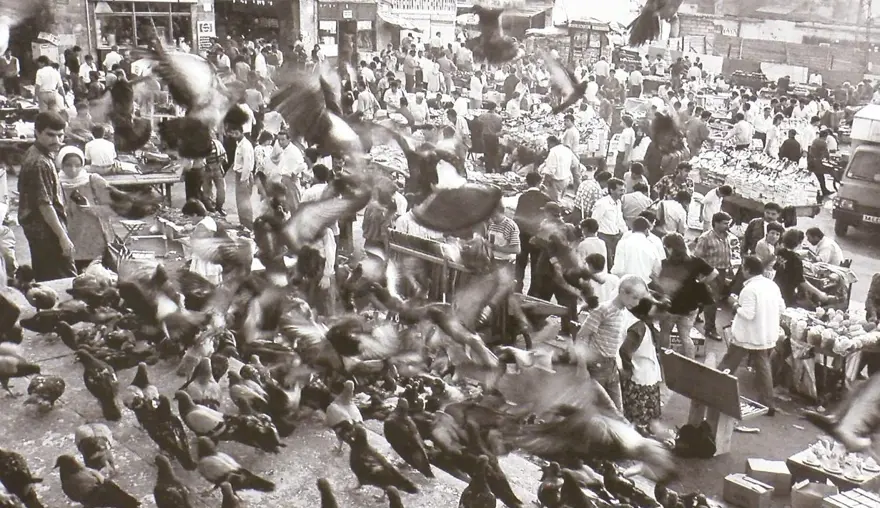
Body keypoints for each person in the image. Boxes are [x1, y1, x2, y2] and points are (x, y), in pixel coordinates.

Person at [715, 256, 785, 415]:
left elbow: (748, 314)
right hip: (766, 334)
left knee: (728, 363)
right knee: (763, 367)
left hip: (746, 335)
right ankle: (768, 403)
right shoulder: (772, 285)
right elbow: (782, 308)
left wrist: (734, 304)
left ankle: (712, 390)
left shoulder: (749, 289)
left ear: (747, 270)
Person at [575, 274, 652, 412]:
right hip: (596, 365)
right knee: (595, 411)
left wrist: (619, 365)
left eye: (639, 300)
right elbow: (581, 337)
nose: (636, 303)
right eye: (634, 298)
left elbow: (615, 341)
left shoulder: (623, 312)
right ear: (622, 291)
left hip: (611, 366)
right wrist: (581, 367)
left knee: (617, 412)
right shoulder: (603, 310)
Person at [19, 112, 76, 281]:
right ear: (37, 132)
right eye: (50, 135)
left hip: (40, 230)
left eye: (60, 136)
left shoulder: (37, 153)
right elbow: (45, 205)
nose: (57, 141)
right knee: (64, 281)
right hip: (46, 231)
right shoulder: (40, 162)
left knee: (47, 279)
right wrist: (63, 237)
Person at [652, 232, 717, 358]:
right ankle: (690, 361)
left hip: (670, 307)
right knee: (685, 336)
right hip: (691, 306)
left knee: (665, 333)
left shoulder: (665, 263)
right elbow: (714, 273)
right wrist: (701, 282)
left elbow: (658, 281)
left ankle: (665, 359)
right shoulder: (695, 261)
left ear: (670, 248)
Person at [619, 298, 662, 429]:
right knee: (640, 418)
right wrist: (628, 369)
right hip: (641, 377)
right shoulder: (639, 327)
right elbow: (625, 350)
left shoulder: (641, 323)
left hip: (645, 374)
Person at [693, 211, 736, 341]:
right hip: (710, 272)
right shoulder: (705, 238)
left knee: (708, 298)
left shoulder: (728, 237)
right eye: (724, 223)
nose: (727, 226)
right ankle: (710, 329)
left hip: (723, 272)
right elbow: (697, 257)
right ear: (716, 223)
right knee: (712, 301)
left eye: (728, 223)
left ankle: (694, 314)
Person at [774, 228, 830, 307]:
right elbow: (801, 281)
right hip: (787, 292)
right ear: (799, 243)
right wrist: (820, 294)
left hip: (776, 286)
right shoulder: (796, 260)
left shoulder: (781, 252)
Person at [513, 172, 551, 291]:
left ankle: (517, 288)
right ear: (540, 183)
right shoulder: (546, 198)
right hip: (537, 237)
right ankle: (533, 293)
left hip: (522, 236)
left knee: (520, 264)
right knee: (535, 266)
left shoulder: (522, 197)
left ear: (526, 182)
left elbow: (517, 217)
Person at [612, 217, 661, 283]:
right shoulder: (652, 246)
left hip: (627, 284)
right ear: (647, 230)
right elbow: (657, 270)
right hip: (645, 285)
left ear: (632, 229)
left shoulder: (622, 244)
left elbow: (618, 269)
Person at [592, 178, 627, 268]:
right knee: (608, 263)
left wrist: (627, 233)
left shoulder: (618, 203)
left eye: (623, 190)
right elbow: (594, 220)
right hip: (604, 237)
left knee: (617, 261)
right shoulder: (602, 204)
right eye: (620, 190)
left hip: (616, 237)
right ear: (612, 190)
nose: (623, 193)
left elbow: (620, 220)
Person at [227, 120, 255, 230]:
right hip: (239, 175)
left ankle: (248, 226)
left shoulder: (245, 146)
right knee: (240, 202)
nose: (234, 136)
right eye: (232, 133)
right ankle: (243, 224)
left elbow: (247, 165)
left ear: (241, 132)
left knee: (245, 203)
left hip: (244, 176)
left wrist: (244, 180)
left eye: (236, 133)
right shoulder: (239, 144)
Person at [539, 135, 576, 201]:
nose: (548, 146)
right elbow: (574, 164)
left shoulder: (553, 151)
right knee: (560, 199)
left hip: (556, 181)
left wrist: (544, 183)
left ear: (552, 143)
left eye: (548, 144)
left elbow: (550, 171)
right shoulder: (567, 150)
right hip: (566, 179)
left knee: (554, 201)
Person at [487, 202, 521, 267]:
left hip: (505, 263)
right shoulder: (491, 224)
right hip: (491, 260)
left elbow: (516, 250)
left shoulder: (510, 226)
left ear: (502, 212)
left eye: (496, 216)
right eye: (491, 216)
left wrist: (494, 247)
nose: (493, 219)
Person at [202, 134, 227, 214]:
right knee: (206, 191)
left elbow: (223, 155)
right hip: (206, 170)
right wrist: (206, 165)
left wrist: (219, 164)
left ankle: (219, 207)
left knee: (221, 189)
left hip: (217, 169)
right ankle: (210, 209)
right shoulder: (201, 146)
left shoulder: (217, 144)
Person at [808, 129, 832, 198]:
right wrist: (828, 160)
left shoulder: (815, 140)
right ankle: (824, 191)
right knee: (821, 177)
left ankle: (824, 190)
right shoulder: (823, 142)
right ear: (825, 136)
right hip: (817, 162)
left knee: (820, 177)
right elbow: (826, 153)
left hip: (811, 160)